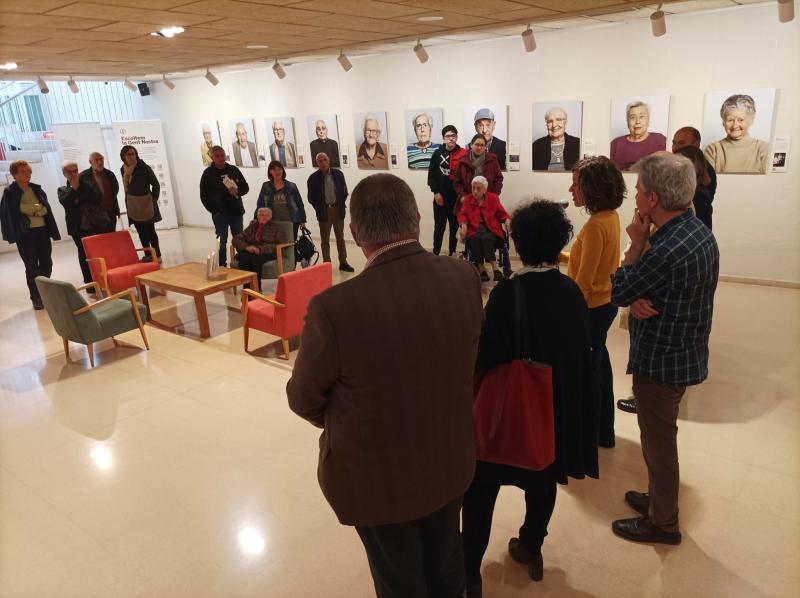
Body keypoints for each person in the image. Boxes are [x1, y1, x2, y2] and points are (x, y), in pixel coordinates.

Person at [287, 173, 483, 598]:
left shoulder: (334, 308)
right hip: (450, 460)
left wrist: (349, 414)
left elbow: (303, 398)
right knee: (447, 565)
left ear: (355, 234)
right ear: (418, 220)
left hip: (378, 480)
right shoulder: (463, 276)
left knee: (399, 580)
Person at [462, 200, 597, 597]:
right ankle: (529, 546)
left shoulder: (508, 293)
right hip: (549, 415)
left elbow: (486, 354)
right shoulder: (571, 292)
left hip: (506, 416)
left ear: (518, 242)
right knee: (542, 483)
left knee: (480, 489)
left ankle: (469, 570)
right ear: (559, 243)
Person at [610, 153, 719, 545]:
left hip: (661, 362)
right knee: (659, 440)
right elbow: (656, 288)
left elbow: (619, 289)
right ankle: (659, 499)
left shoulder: (664, 248)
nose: (636, 196)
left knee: (658, 446)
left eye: (639, 190)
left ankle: (663, 523)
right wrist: (641, 295)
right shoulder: (696, 231)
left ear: (653, 198)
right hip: (685, 351)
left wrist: (636, 245)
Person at [567, 156, 624, 448]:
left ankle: (590, 433)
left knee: (589, 372)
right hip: (606, 303)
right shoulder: (610, 218)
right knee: (600, 365)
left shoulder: (594, 227)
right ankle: (603, 431)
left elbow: (585, 282)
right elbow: (595, 260)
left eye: (576, 185)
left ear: (593, 188)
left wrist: (570, 315)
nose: (571, 190)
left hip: (591, 308)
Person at [0, 160, 61, 310]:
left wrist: (34, 210)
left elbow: (46, 208)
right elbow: (14, 210)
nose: (28, 174)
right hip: (25, 234)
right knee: (32, 266)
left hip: (42, 230)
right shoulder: (10, 192)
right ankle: (36, 297)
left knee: (46, 262)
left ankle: (45, 291)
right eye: (23, 171)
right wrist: (35, 208)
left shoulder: (36, 188)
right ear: (14, 174)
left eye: (29, 171)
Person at [58, 160, 107, 294]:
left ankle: (103, 279)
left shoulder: (88, 185)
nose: (73, 174)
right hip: (77, 227)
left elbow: (98, 198)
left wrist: (78, 199)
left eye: (75, 171)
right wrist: (74, 189)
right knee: (83, 254)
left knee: (98, 253)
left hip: (95, 224)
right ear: (64, 173)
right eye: (70, 172)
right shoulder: (62, 190)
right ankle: (89, 283)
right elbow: (66, 202)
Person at [200, 145, 249, 267]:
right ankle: (222, 265)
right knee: (222, 240)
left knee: (239, 238)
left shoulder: (233, 170)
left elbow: (245, 187)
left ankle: (242, 262)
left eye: (222, 155)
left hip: (236, 211)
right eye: (217, 156)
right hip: (220, 213)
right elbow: (204, 196)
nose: (220, 158)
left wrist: (237, 191)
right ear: (212, 158)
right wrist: (214, 210)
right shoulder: (208, 174)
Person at [457, 176, 511, 282]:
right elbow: (462, 214)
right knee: (475, 239)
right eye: (473, 188)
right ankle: (482, 270)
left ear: (485, 189)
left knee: (485, 238)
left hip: (492, 231)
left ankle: (495, 268)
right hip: (474, 231)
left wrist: (507, 220)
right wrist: (463, 225)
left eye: (478, 188)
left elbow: (502, 214)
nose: (475, 191)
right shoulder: (467, 199)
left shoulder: (493, 198)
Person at [307, 153, 354, 272]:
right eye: (320, 161)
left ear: (329, 160)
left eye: (325, 160)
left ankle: (343, 262)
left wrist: (340, 204)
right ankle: (326, 264)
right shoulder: (313, 178)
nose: (323, 162)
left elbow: (344, 192)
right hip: (324, 211)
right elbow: (311, 198)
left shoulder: (338, 174)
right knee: (325, 240)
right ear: (317, 163)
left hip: (338, 210)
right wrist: (320, 207)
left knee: (340, 238)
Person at [704, 94, 769, 174]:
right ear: (723, 122)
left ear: (750, 121)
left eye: (740, 120)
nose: (735, 125)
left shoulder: (763, 149)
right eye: (730, 120)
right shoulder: (713, 150)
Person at [120, 145, 161, 262]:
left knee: (151, 232)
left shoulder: (144, 168)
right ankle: (148, 255)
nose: (131, 156)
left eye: (133, 153)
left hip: (146, 204)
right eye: (128, 154)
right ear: (123, 157)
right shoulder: (123, 169)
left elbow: (156, 185)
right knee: (141, 233)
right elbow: (127, 189)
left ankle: (157, 255)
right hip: (133, 205)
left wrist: (152, 200)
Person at [427, 124, 461, 256]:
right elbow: (431, 175)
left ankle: (452, 254)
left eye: (453, 136)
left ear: (456, 137)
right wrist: (436, 193)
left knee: (454, 229)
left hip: (456, 200)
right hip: (440, 199)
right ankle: (435, 254)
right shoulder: (437, 153)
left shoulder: (462, 154)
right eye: (448, 136)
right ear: (443, 138)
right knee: (439, 228)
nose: (451, 138)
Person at [232, 207, 284, 292]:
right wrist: (246, 247)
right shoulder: (253, 226)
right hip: (250, 251)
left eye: (267, 215)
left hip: (267, 252)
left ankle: (256, 289)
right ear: (258, 216)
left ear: (271, 217)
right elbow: (236, 239)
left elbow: (278, 244)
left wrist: (260, 249)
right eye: (262, 215)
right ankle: (247, 290)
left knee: (255, 260)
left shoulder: (277, 227)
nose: (264, 217)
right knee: (244, 259)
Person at [256, 160, 306, 241]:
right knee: (274, 245)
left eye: (279, 169)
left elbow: (299, 204)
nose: (277, 172)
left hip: (291, 221)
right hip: (272, 222)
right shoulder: (266, 186)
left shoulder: (292, 186)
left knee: (290, 244)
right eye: (274, 169)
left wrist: (303, 221)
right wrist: (257, 219)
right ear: (270, 172)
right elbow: (260, 204)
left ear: (282, 170)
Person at [610, 101, 667, 171]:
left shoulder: (660, 140)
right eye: (632, 118)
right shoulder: (616, 144)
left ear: (648, 120)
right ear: (627, 121)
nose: (637, 121)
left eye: (641, 117)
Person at [671, 126, 717, 200]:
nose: (675, 148)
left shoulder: (706, 171)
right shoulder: (672, 165)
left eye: (681, 143)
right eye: (674, 143)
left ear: (696, 144)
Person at [454, 134, 503, 201]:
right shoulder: (463, 161)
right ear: (471, 145)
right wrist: (462, 195)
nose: (479, 148)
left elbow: (498, 179)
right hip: (468, 198)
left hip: (487, 199)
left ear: (485, 146)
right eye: (477, 144)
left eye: (482, 145)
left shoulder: (492, 160)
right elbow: (457, 181)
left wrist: (494, 195)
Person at [675, 146, 714, 229]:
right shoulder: (683, 190)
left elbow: (704, 229)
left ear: (694, 166)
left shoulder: (699, 195)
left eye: (678, 163)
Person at [80, 152, 121, 232]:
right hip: (95, 215)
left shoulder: (110, 174)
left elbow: (115, 189)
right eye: (96, 160)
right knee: (100, 237)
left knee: (112, 235)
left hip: (110, 212)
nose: (100, 162)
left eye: (101, 159)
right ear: (90, 162)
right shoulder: (83, 176)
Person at [532, 107, 581, 171]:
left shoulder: (578, 144)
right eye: (550, 121)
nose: (554, 125)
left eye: (558, 120)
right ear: (546, 125)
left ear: (565, 123)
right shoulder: (537, 146)